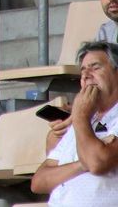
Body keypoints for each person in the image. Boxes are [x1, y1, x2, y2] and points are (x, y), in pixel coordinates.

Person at [30, 40, 118, 204]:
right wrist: (82, 164)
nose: (86, 75)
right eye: (83, 70)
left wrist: (80, 116)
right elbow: (39, 182)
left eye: (95, 67)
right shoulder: (81, 120)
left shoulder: (80, 118)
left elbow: (97, 163)